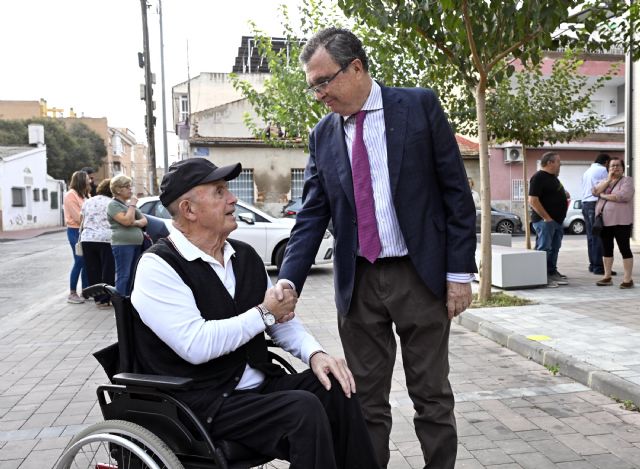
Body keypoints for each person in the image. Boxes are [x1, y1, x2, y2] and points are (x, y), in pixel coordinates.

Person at [275, 27, 477, 469]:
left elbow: (456, 195)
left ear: (356, 67)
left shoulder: (418, 107)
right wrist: (288, 279)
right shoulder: (323, 135)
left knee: (432, 396)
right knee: (364, 400)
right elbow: (312, 214)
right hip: (358, 282)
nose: (319, 95)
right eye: (313, 86)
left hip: (420, 276)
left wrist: (459, 274)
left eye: (323, 82)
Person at [130, 158, 378, 469]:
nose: (233, 199)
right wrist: (264, 314)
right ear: (188, 209)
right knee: (302, 410)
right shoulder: (159, 267)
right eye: (220, 192)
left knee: (337, 386)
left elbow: (279, 320)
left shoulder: (243, 256)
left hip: (258, 388)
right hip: (203, 402)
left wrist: (315, 354)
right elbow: (196, 345)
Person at [529, 152, 570, 288]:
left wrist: (563, 194)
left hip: (556, 221)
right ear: (550, 163)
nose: (560, 164)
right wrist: (547, 218)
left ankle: (552, 272)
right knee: (544, 249)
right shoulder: (538, 177)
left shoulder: (553, 178)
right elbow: (532, 200)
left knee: (554, 248)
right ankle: (541, 276)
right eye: (558, 162)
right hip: (545, 221)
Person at [592, 157, 635, 288]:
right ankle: (607, 276)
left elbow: (622, 196)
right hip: (604, 221)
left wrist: (603, 196)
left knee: (624, 248)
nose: (615, 168)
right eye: (612, 166)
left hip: (621, 221)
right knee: (606, 248)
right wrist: (608, 180)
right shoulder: (604, 181)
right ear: (608, 168)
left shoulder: (627, 181)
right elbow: (595, 192)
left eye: (618, 166)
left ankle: (627, 279)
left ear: (623, 168)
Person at [107, 175, 147, 296]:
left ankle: (129, 300)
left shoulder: (126, 205)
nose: (130, 189)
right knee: (124, 275)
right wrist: (133, 205)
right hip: (123, 244)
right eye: (127, 187)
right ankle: (120, 302)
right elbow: (126, 221)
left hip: (136, 244)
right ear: (118, 189)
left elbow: (144, 221)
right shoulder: (113, 205)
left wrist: (134, 223)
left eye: (130, 186)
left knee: (133, 275)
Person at [80, 179, 115, 307]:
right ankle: (106, 299)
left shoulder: (88, 201)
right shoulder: (111, 203)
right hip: (105, 239)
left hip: (87, 238)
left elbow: (81, 219)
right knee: (107, 269)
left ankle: (98, 299)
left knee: (93, 269)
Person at [581, 153, 611, 275]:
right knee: (599, 236)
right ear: (606, 162)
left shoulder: (587, 171)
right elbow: (608, 186)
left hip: (585, 204)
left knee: (591, 237)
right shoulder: (603, 170)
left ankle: (593, 265)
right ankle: (599, 267)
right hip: (595, 204)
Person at [63, 170, 90, 303]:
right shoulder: (70, 195)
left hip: (85, 231)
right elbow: (77, 217)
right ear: (81, 180)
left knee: (86, 262)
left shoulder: (84, 195)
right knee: (79, 260)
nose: (89, 181)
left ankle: (85, 291)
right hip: (75, 231)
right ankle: (72, 293)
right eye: (87, 179)